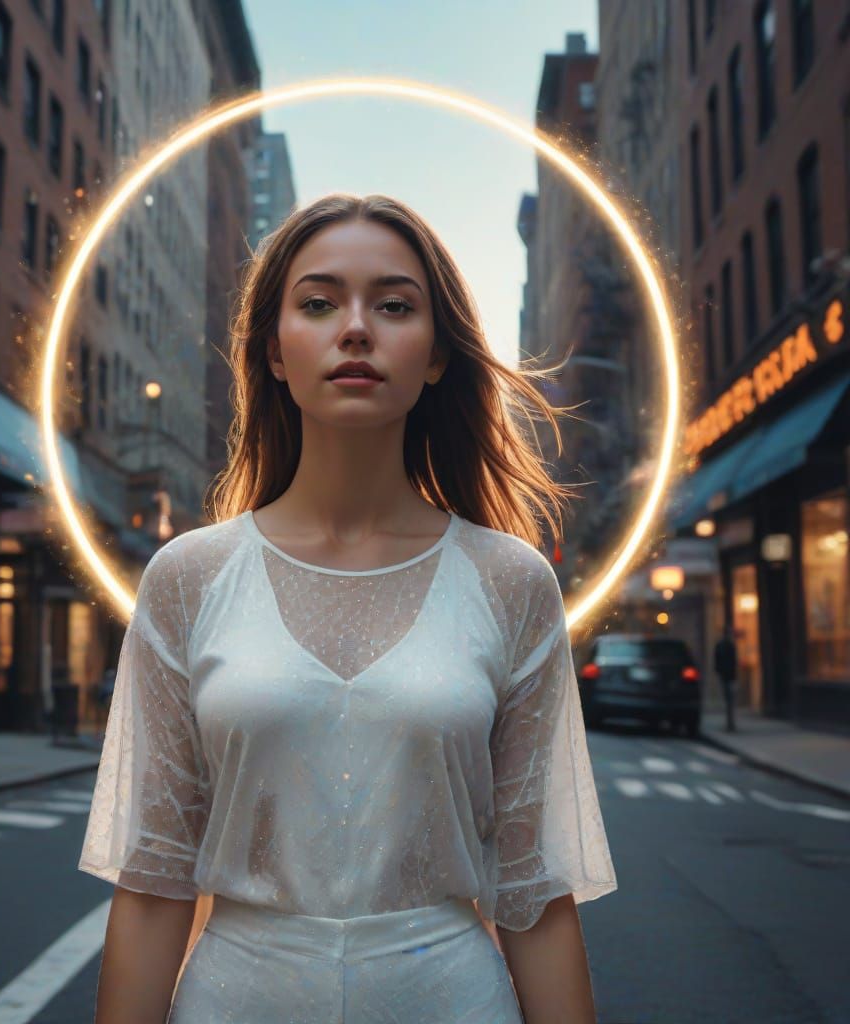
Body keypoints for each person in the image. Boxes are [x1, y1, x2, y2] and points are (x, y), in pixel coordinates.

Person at [78, 193, 618, 1023]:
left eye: (395, 305)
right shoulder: (188, 577)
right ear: (275, 353)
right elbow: (154, 884)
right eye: (320, 302)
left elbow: (535, 895)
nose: (356, 328)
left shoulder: (511, 582)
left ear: (436, 354)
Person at [713, 624, 738, 733]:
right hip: (728, 675)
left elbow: (718, 661)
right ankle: (730, 722)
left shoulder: (724, 645)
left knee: (729, 699)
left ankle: (730, 722)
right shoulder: (726, 645)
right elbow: (731, 661)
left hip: (727, 675)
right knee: (729, 699)